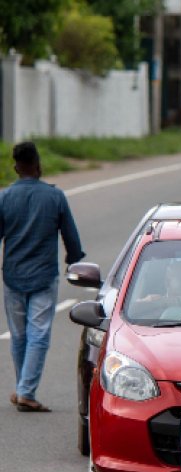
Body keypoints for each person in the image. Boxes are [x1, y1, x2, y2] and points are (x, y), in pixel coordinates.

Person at [2, 142, 85, 412]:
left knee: (19, 336)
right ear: (39, 166)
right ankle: (26, 390)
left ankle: (23, 387)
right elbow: (70, 236)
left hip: (13, 276)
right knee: (38, 335)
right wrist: (73, 260)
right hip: (43, 277)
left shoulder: (5, 198)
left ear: (16, 168)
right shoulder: (55, 197)